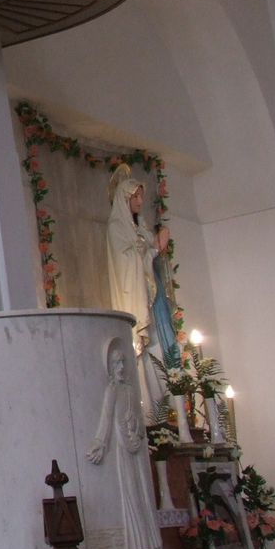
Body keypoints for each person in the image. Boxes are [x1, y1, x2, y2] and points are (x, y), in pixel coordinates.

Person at [86, 337, 166, 549]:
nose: (121, 367)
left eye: (123, 362)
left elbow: (138, 419)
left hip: (135, 446)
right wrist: (100, 444)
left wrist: (136, 425)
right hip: (122, 450)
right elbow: (106, 420)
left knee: (145, 499)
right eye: (116, 363)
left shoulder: (130, 390)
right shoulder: (111, 391)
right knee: (132, 500)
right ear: (110, 368)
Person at [105, 163, 173, 416]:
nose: (140, 202)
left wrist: (155, 245)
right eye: (135, 197)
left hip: (149, 290)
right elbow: (125, 261)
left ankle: (166, 403)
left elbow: (146, 251)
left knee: (159, 344)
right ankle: (150, 409)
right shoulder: (116, 228)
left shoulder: (139, 226)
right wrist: (151, 249)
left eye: (142, 197)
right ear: (124, 199)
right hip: (132, 292)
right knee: (141, 348)